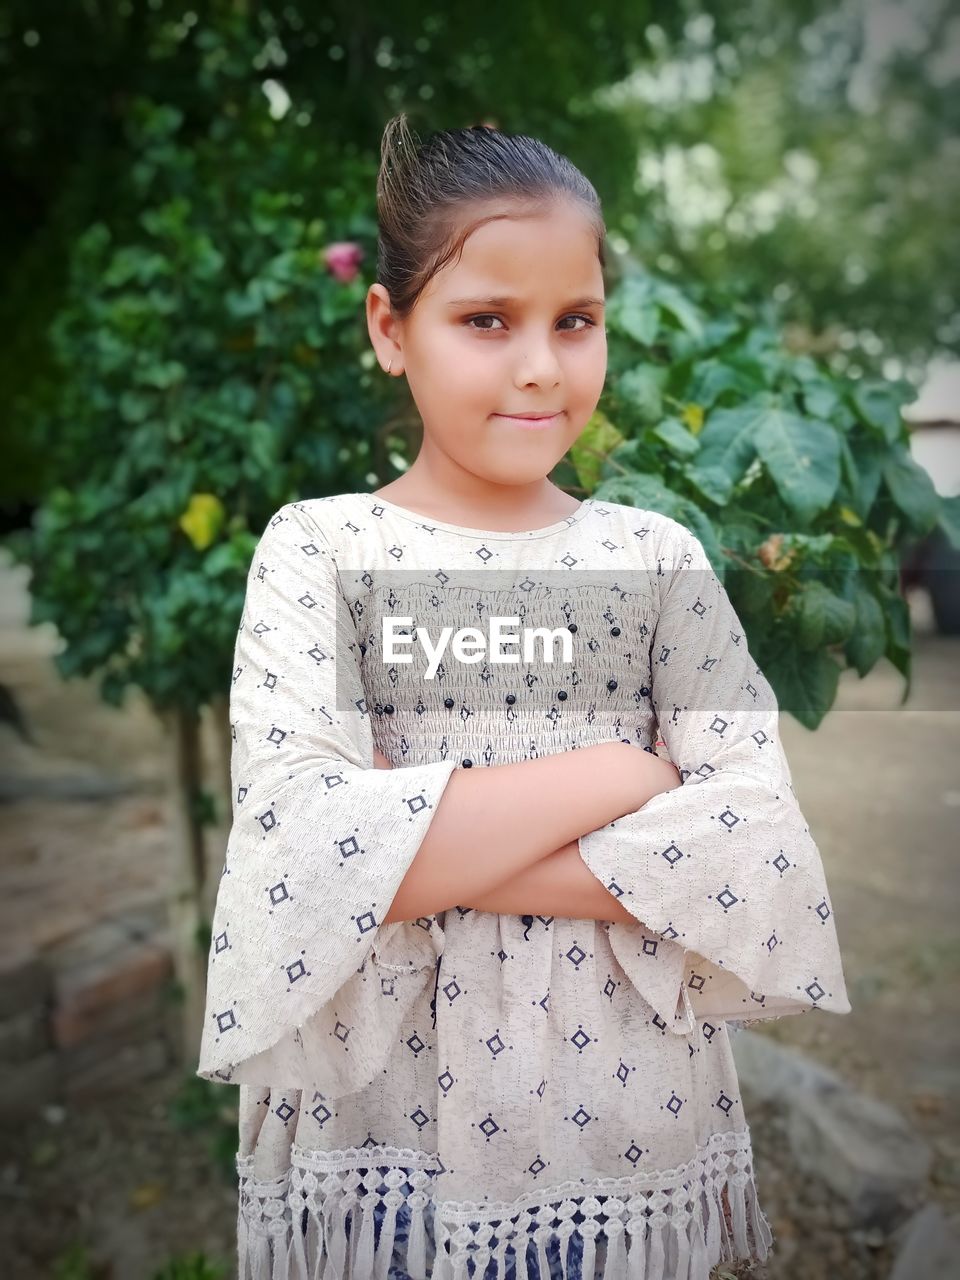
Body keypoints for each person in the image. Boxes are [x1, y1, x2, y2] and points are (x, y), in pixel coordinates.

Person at [197, 114, 850, 1280]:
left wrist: (407, 855)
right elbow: (293, 846)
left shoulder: (656, 559)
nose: (542, 363)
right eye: (487, 319)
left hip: (627, 1130)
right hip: (383, 1144)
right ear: (390, 328)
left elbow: (758, 850)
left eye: (576, 320)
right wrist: (621, 778)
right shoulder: (322, 553)